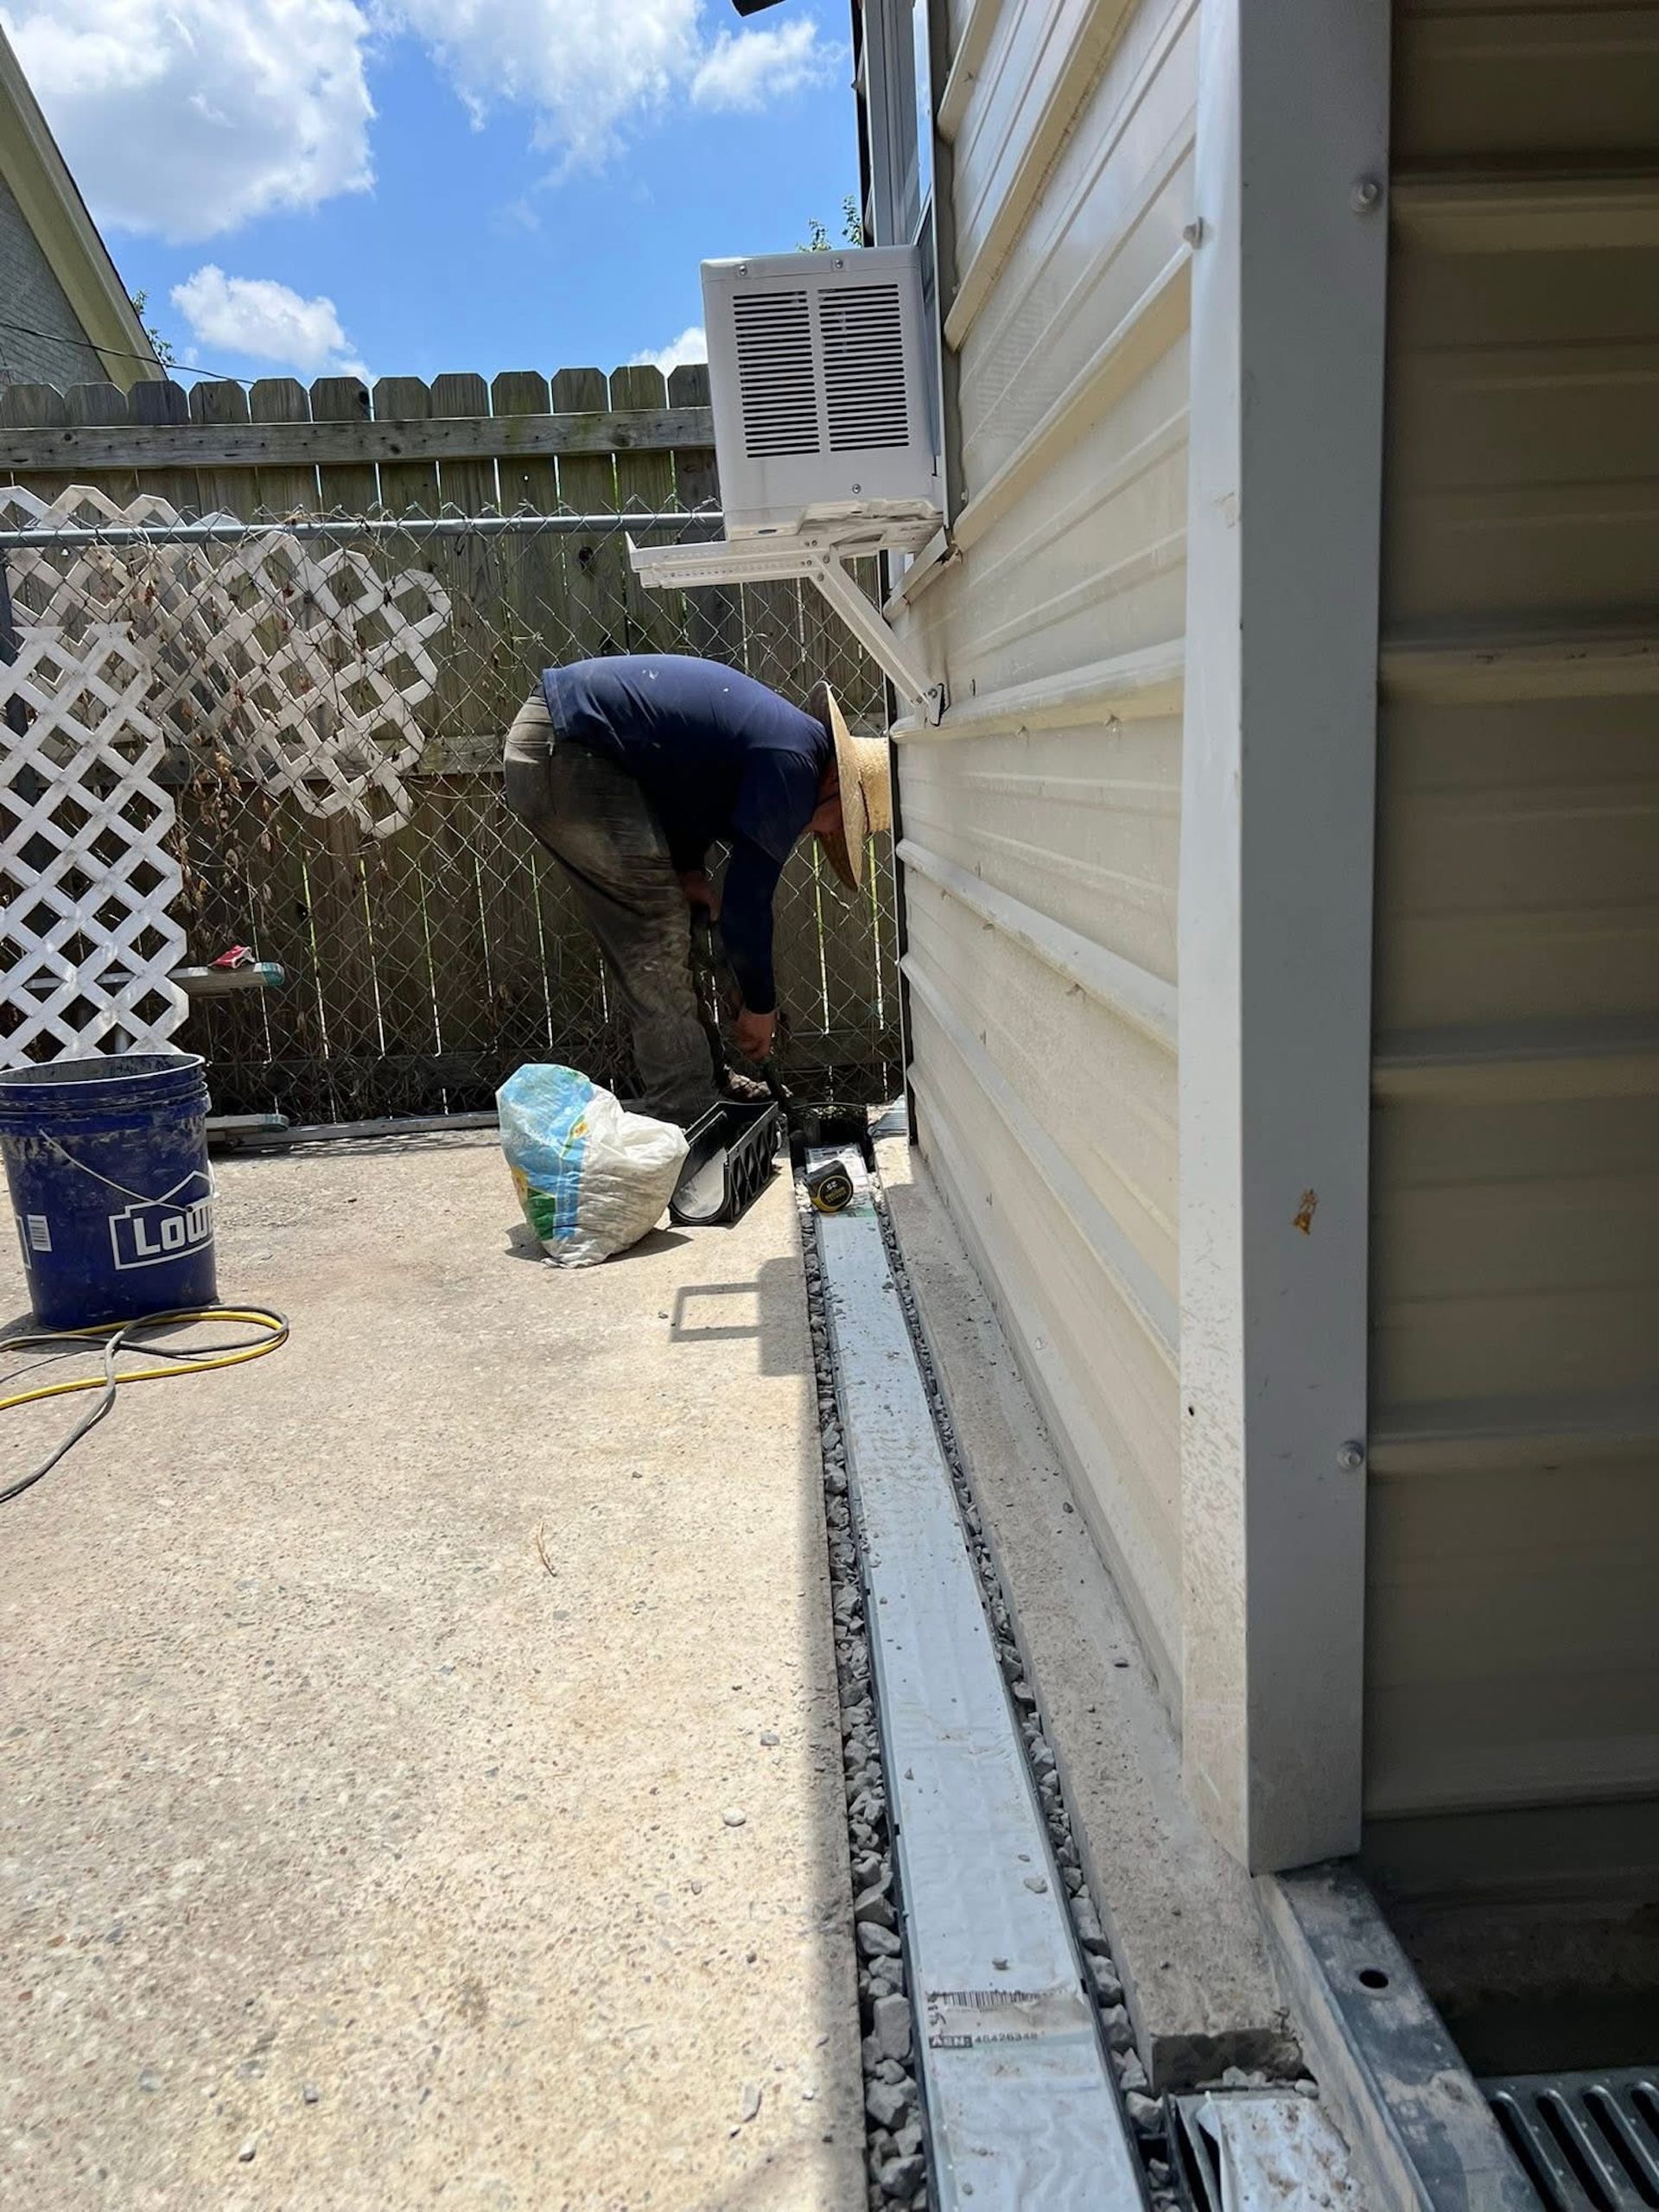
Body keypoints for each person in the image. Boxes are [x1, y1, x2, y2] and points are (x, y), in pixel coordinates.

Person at [502, 654, 892, 1128]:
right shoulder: (794, 766)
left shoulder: (788, 748)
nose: (826, 832)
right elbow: (747, 904)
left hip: (577, 744)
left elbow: (683, 783)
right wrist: (760, 1007)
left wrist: (689, 872)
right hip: (568, 747)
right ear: (837, 783)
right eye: (846, 822)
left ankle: (708, 1083)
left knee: (675, 915)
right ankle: (690, 1114)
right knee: (656, 937)